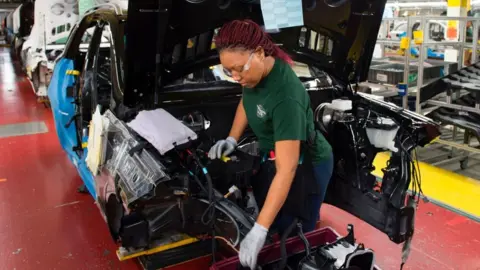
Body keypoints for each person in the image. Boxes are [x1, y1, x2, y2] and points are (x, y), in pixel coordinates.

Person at [208, 19, 334, 269]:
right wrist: (232, 138)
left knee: (297, 231)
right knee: (277, 219)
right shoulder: (252, 75)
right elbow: (246, 102)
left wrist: (259, 230)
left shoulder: (285, 97)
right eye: (227, 71)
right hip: (278, 159)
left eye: (238, 69)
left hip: (309, 165)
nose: (235, 77)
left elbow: (287, 170)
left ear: (258, 53)